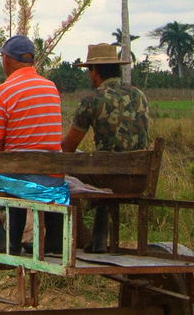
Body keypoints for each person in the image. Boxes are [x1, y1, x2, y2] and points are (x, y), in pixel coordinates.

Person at [61, 43, 150, 252]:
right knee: (100, 165)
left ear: (95, 71)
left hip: (108, 179)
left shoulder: (92, 100)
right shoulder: (140, 95)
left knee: (65, 165)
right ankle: (98, 237)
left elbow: (68, 148)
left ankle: (69, 235)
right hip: (140, 179)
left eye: (89, 70)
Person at [0, 34, 65, 255]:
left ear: (7, 59)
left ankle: (3, 239)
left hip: (20, 178)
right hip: (53, 178)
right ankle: (53, 242)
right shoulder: (51, 88)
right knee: (17, 172)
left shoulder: (2, 92)